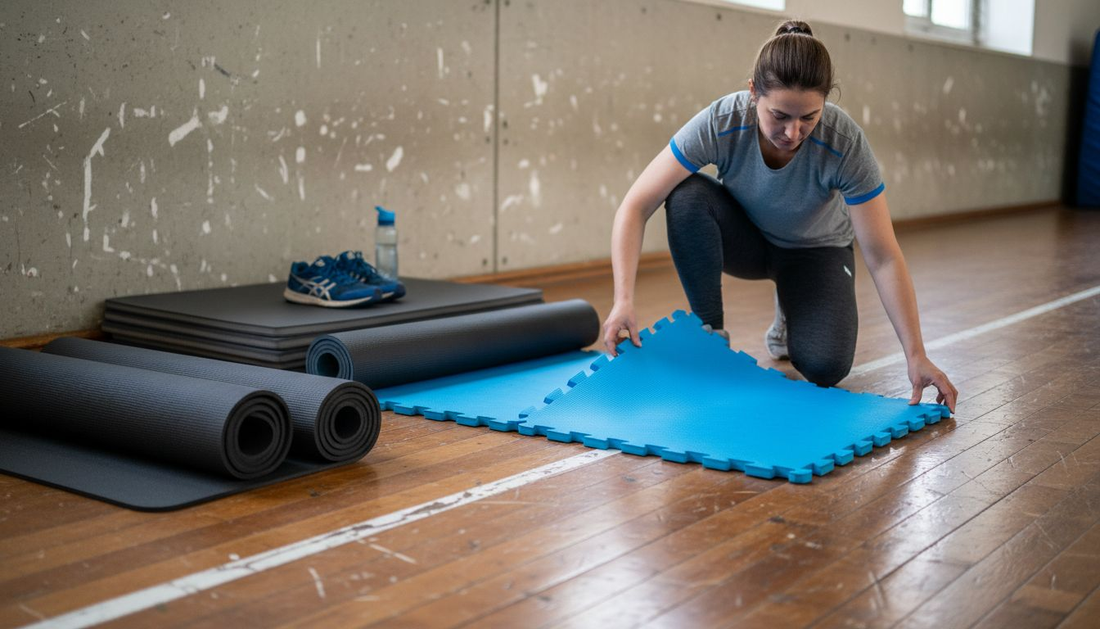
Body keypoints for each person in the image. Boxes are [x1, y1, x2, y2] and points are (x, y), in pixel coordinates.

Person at [601, 19, 958, 412]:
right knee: (685, 194)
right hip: (750, 240)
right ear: (753, 91)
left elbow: (883, 255)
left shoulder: (845, 144)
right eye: (780, 116)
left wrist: (915, 354)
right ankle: (710, 334)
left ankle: (790, 310)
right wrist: (623, 300)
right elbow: (636, 204)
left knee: (825, 367)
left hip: (814, 251)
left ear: (826, 102)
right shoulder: (723, 121)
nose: (793, 133)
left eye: (809, 117)